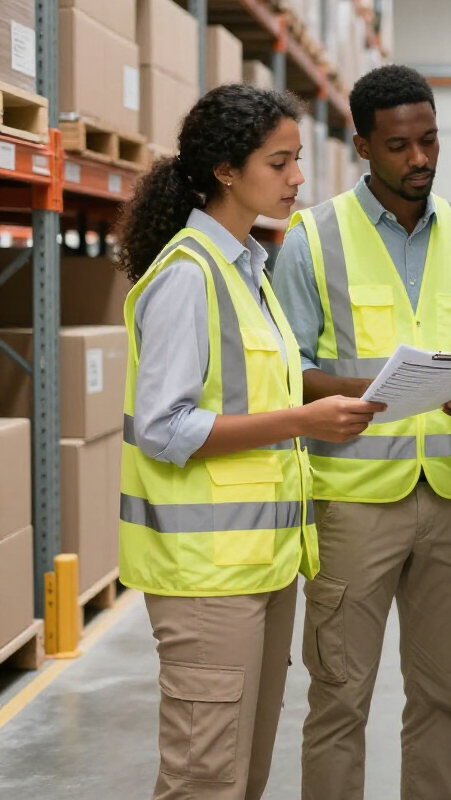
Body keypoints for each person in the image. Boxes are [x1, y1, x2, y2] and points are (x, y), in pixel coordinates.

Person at [116, 84, 383, 800]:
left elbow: (273, 382)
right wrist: (304, 422)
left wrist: (384, 386)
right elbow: (164, 428)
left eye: (297, 160)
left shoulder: (246, 267)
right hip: (206, 578)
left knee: (245, 775)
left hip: (260, 567)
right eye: (281, 161)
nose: (299, 177)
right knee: (206, 780)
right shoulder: (187, 276)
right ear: (226, 171)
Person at [272, 64, 451, 800]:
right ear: (363, 147)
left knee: (441, 699)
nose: (421, 160)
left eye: (430, 141)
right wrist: (373, 391)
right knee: (340, 700)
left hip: (449, 500)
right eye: (401, 146)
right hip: (351, 506)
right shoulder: (312, 239)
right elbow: (286, 373)